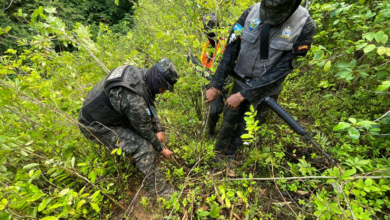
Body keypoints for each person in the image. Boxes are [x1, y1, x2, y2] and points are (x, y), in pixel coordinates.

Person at [205, 0, 316, 160]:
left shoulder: (304, 26)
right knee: (228, 121)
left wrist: (244, 94)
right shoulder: (249, 14)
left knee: (247, 130)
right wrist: (216, 84)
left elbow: (282, 70)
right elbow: (230, 49)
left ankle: (234, 159)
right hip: (239, 81)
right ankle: (218, 155)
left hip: (267, 91)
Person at [78, 58, 179, 199]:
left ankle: (140, 164)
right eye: (164, 88)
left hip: (108, 115)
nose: (163, 92)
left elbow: (148, 100)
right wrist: (162, 150)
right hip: (95, 126)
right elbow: (145, 129)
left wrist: (159, 128)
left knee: (144, 133)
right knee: (144, 147)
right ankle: (160, 192)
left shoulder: (140, 75)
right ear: (158, 81)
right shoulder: (134, 100)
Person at [201, 13, 232, 139]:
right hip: (209, 81)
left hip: (224, 83)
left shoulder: (226, 44)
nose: (209, 33)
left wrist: (220, 87)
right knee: (213, 111)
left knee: (228, 111)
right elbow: (203, 65)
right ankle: (210, 132)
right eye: (206, 29)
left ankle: (226, 135)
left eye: (211, 29)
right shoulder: (206, 45)